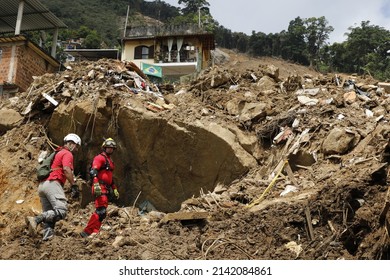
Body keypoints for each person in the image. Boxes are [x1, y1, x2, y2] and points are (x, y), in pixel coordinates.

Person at [25, 133, 81, 241]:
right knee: (61, 211)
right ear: (71, 143)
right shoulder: (67, 153)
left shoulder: (57, 153)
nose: (77, 149)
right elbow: (66, 169)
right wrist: (74, 185)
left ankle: (48, 239)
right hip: (53, 183)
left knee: (50, 216)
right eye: (77, 146)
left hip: (42, 185)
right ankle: (36, 220)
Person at [80, 138, 119, 238]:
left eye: (112, 148)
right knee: (100, 210)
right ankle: (87, 231)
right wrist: (96, 184)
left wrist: (114, 188)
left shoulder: (110, 161)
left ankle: (95, 231)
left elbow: (110, 177)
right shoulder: (100, 158)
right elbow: (94, 171)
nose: (110, 150)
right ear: (104, 148)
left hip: (106, 187)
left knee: (102, 212)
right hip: (99, 186)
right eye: (108, 148)